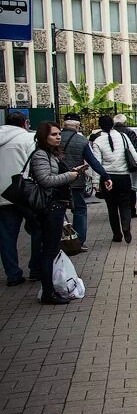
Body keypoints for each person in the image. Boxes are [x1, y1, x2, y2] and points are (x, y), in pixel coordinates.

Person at [30, 122, 84, 304]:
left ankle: (51, 288)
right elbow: (45, 180)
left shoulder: (51, 154)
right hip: (49, 207)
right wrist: (70, 176)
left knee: (52, 249)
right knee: (50, 250)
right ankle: (48, 292)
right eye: (53, 134)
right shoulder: (40, 155)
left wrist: (71, 172)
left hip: (57, 205)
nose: (58, 137)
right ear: (44, 136)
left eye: (59, 133)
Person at [0, 111, 41, 287]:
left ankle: (13, 274)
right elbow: (36, 165)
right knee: (38, 229)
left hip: (3, 195)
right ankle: (36, 268)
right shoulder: (28, 139)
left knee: (6, 236)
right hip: (25, 193)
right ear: (25, 123)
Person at [61, 113, 111, 252]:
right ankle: (79, 242)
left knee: (58, 211)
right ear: (77, 126)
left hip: (56, 182)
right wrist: (105, 176)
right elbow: (93, 161)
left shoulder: (53, 138)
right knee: (80, 210)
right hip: (76, 181)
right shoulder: (81, 141)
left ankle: (58, 240)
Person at [91, 115, 137, 243]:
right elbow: (134, 154)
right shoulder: (123, 137)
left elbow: (97, 163)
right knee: (125, 204)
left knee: (112, 207)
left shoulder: (98, 141)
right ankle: (126, 227)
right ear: (113, 124)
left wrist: (95, 182)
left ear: (100, 126)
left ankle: (117, 235)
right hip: (123, 176)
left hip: (107, 178)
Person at [113, 114, 137, 218]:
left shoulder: (110, 132)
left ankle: (118, 210)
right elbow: (135, 149)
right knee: (130, 189)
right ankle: (131, 210)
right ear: (125, 122)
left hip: (113, 167)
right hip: (128, 165)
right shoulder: (129, 132)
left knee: (116, 191)